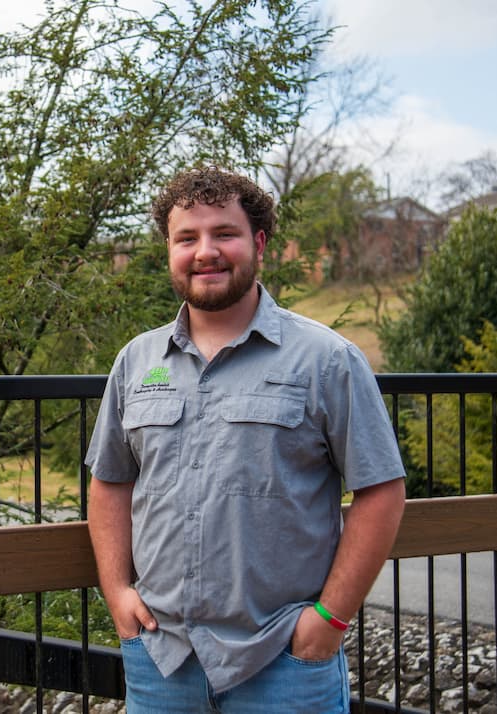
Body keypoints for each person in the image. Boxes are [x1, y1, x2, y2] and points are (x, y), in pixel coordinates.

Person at [85, 167, 406, 713]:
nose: (205, 251)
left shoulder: (326, 359)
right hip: (162, 659)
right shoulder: (136, 361)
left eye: (224, 234)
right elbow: (110, 481)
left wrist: (328, 621)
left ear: (257, 243)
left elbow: (382, 490)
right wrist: (117, 592)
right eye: (187, 238)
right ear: (169, 249)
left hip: (284, 660)